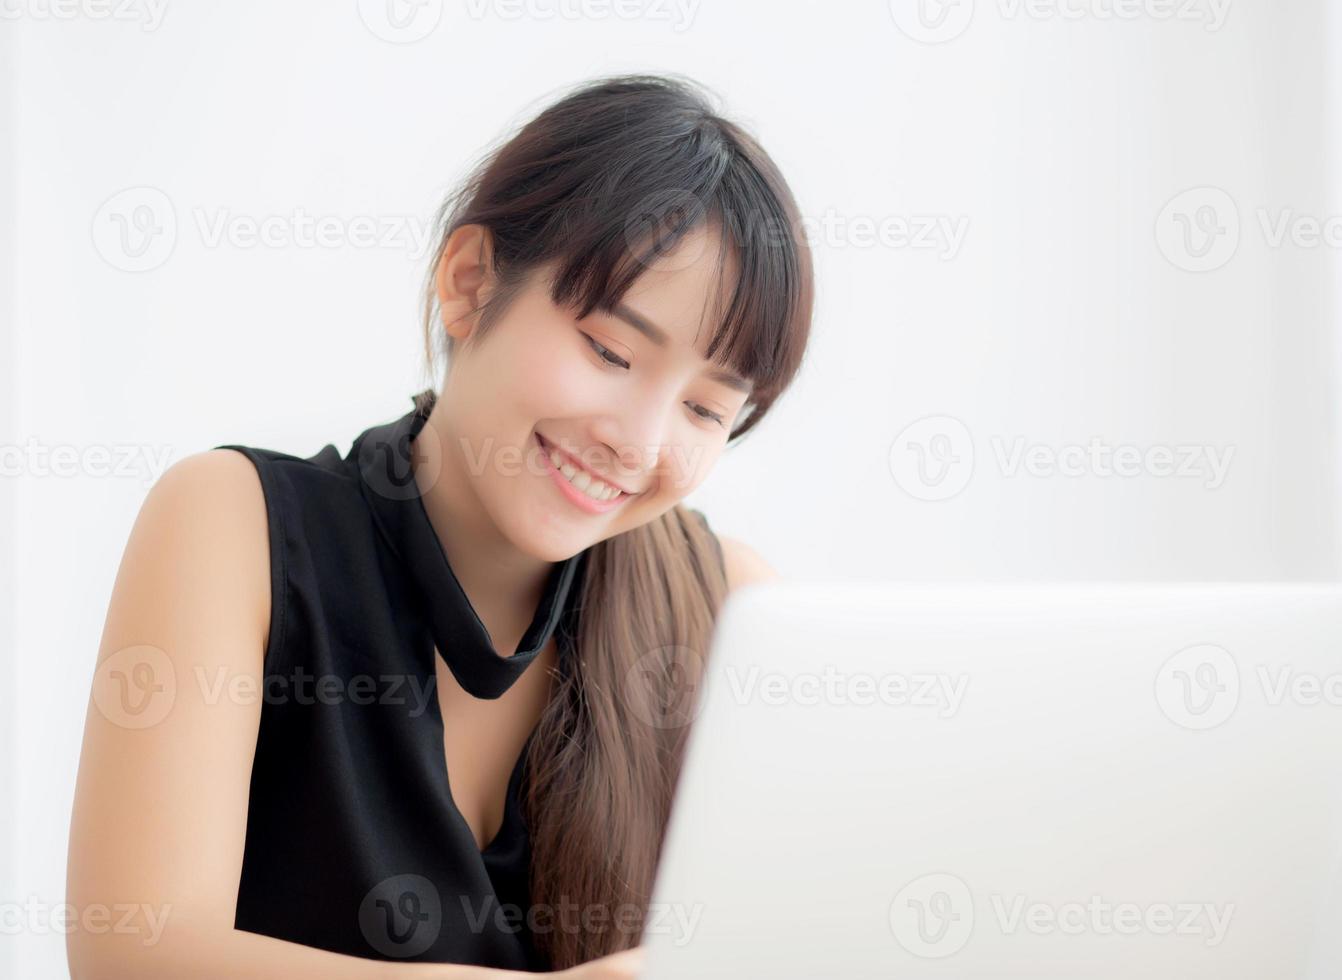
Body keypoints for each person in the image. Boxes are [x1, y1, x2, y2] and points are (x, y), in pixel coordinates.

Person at [66, 73, 814, 979]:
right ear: (469, 283)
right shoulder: (234, 526)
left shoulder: (728, 610)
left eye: (705, 410)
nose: (639, 442)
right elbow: (134, 951)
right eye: (610, 352)